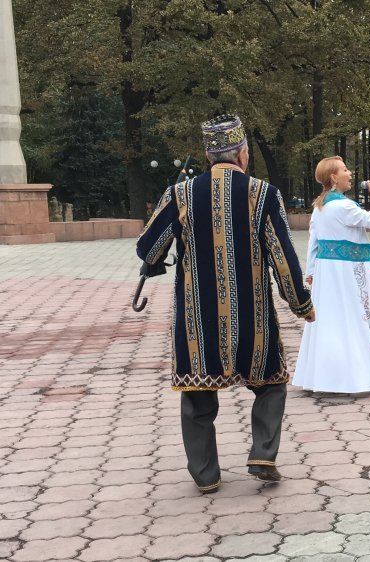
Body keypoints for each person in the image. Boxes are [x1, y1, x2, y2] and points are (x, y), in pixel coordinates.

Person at [136, 114, 314, 493]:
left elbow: (148, 247)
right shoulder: (263, 194)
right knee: (271, 384)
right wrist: (301, 304)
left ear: (208, 155)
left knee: (197, 398)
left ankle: (206, 475)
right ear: (243, 154)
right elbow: (283, 258)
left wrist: (155, 262)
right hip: (253, 320)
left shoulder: (179, 194)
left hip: (197, 323)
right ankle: (262, 453)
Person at [293, 156, 370, 393]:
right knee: (352, 315)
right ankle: (353, 376)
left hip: (326, 270)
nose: (350, 174)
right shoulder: (344, 207)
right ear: (334, 177)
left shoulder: (320, 207)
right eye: (345, 170)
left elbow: (314, 241)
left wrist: (311, 271)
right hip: (346, 271)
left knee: (329, 319)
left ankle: (323, 376)